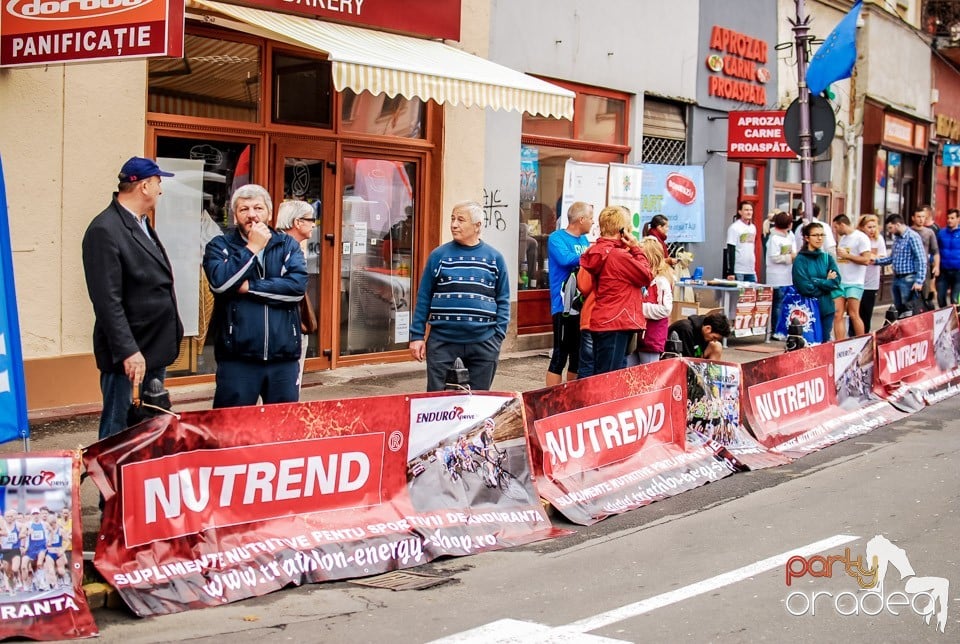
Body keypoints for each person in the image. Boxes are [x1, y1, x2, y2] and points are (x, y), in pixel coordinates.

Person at [82, 157, 184, 440]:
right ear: (144, 186)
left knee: (150, 426)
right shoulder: (105, 229)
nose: (161, 190)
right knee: (117, 430)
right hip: (129, 353)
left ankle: (138, 482)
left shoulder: (140, 223)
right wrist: (128, 351)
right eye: (158, 183)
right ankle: (110, 484)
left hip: (153, 345)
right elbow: (106, 300)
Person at [204, 184, 308, 408]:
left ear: (269, 213)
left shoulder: (287, 245)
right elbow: (221, 284)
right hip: (237, 359)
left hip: (283, 359)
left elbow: (296, 287)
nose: (252, 214)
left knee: (282, 431)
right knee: (232, 432)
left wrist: (249, 287)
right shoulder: (219, 246)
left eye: (258, 208)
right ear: (235, 215)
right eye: (244, 209)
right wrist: (252, 248)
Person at [409, 200, 510, 391]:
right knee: (436, 401)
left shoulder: (494, 258)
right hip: (442, 340)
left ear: (477, 225)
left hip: (484, 341)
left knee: (479, 400)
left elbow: (503, 299)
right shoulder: (439, 256)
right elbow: (424, 297)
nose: (454, 224)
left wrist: (498, 336)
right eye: (452, 219)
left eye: (460, 220)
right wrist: (417, 336)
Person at [578, 205, 652, 375]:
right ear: (623, 230)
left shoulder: (598, 250)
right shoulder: (617, 255)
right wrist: (636, 248)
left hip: (605, 319)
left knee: (602, 374)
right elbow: (646, 275)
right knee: (609, 379)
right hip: (616, 320)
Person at [545, 201, 593, 385]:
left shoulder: (584, 240)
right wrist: (591, 255)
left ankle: (571, 399)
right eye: (590, 218)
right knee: (560, 355)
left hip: (581, 304)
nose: (592, 222)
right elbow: (565, 259)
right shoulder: (557, 238)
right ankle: (552, 399)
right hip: (562, 305)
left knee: (577, 355)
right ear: (581, 219)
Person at [274, 200, 318, 390]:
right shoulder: (280, 249)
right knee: (287, 384)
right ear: (297, 222)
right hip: (284, 327)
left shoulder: (296, 247)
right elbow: (291, 288)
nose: (314, 224)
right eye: (311, 219)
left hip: (291, 324)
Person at [792, 222, 842, 341]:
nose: (819, 238)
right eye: (815, 235)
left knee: (825, 344)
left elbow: (836, 281)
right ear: (806, 238)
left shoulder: (827, 257)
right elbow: (804, 287)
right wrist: (825, 282)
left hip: (827, 308)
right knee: (808, 344)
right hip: (807, 310)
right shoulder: (800, 260)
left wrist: (816, 281)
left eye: (822, 235)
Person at [872, 213, 926, 313]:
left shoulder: (912, 237)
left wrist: (919, 281)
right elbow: (893, 258)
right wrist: (875, 261)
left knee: (908, 308)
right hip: (897, 277)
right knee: (899, 308)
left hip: (909, 277)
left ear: (897, 225)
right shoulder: (897, 238)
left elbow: (921, 259)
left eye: (890, 228)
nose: (890, 231)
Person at [633, 238, 674, 364]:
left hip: (652, 337)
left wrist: (638, 308)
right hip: (635, 336)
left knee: (648, 376)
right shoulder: (641, 279)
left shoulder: (661, 281)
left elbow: (665, 309)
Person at [833, 214, 872, 338]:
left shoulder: (861, 238)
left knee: (854, 314)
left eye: (836, 227)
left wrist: (848, 256)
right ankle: (839, 343)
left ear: (842, 225)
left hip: (855, 281)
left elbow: (866, 260)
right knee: (838, 313)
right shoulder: (843, 239)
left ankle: (861, 341)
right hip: (840, 281)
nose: (836, 231)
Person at [765, 211, 795, 333]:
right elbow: (774, 257)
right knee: (777, 304)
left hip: (787, 276)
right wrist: (790, 257)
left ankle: (782, 329)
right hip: (776, 277)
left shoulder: (789, 236)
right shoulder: (774, 238)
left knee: (785, 304)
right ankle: (775, 329)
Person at [857, 214, 886, 332]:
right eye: (869, 227)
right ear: (862, 227)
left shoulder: (879, 240)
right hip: (857, 280)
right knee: (855, 312)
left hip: (871, 281)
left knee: (867, 312)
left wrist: (873, 257)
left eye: (874, 226)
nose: (872, 230)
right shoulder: (858, 239)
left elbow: (883, 256)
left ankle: (866, 334)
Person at [911, 208, 940, 302]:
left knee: (924, 295)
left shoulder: (929, 232)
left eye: (923, 217)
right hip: (909, 268)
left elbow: (935, 251)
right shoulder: (908, 232)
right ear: (913, 218)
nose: (921, 219)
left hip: (924, 268)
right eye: (918, 216)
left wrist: (936, 266)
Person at [724, 201, 757, 281]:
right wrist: (731, 271)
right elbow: (731, 249)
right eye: (746, 210)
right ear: (740, 212)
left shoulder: (753, 227)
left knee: (751, 292)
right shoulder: (735, 227)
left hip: (751, 269)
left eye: (750, 210)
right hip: (738, 270)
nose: (749, 212)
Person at [937, 208, 960, 307]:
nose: (949, 220)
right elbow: (935, 250)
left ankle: (955, 321)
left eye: (952, 218)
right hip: (943, 271)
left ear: (958, 219)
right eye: (948, 218)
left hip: (958, 272)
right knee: (940, 298)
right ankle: (944, 320)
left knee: (954, 300)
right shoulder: (941, 233)